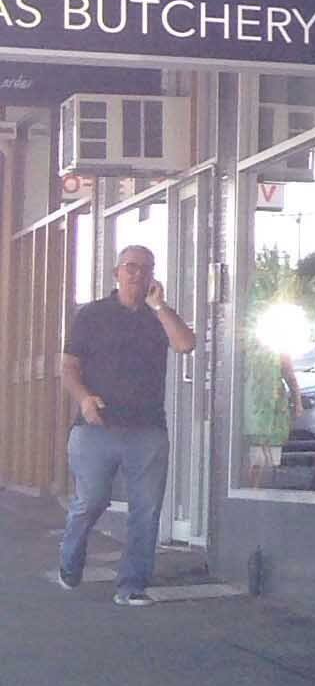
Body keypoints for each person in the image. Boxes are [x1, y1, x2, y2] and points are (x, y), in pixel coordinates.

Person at [59, 243, 196, 608]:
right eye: (131, 267)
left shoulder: (158, 315)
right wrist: (84, 398)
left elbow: (186, 344)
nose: (138, 273)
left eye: (145, 268)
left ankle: (132, 586)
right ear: (116, 273)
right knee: (90, 501)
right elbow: (69, 367)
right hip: (95, 428)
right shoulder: (92, 315)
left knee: (146, 510)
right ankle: (70, 561)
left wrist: (160, 307)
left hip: (147, 430)